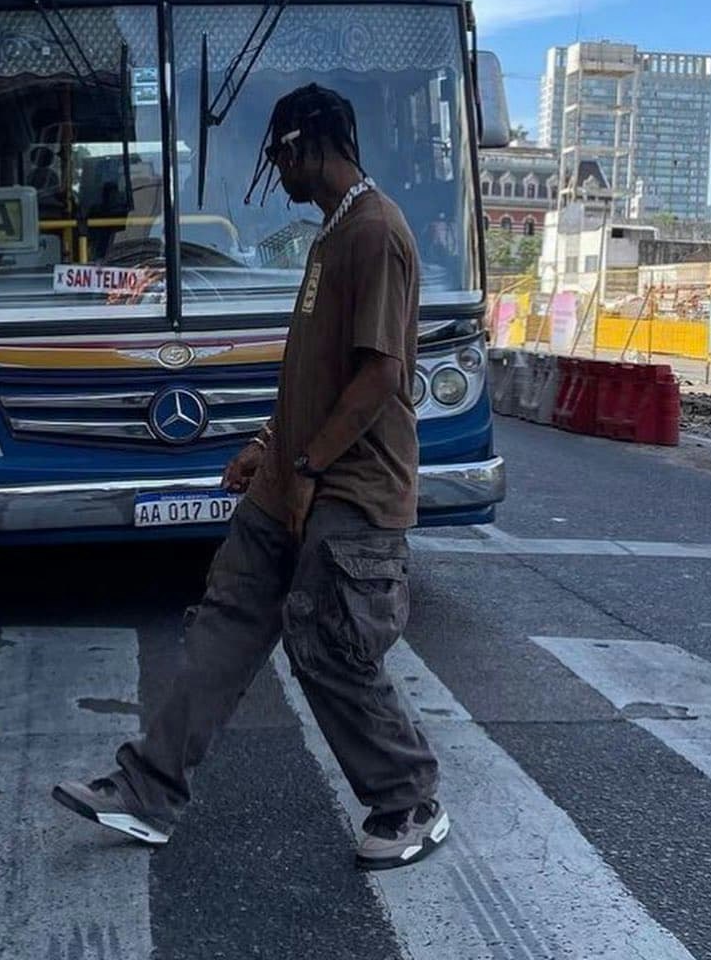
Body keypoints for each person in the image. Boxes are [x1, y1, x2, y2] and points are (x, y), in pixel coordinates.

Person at [53, 84, 446, 871]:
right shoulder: (331, 233)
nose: (276, 171)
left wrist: (307, 464)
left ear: (310, 143)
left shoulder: (376, 233)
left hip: (350, 488)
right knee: (225, 623)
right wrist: (270, 446)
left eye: (278, 155)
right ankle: (148, 791)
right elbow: (316, 372)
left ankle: (407, 799)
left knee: (327, 641)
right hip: (291, 479)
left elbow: (377, 377)